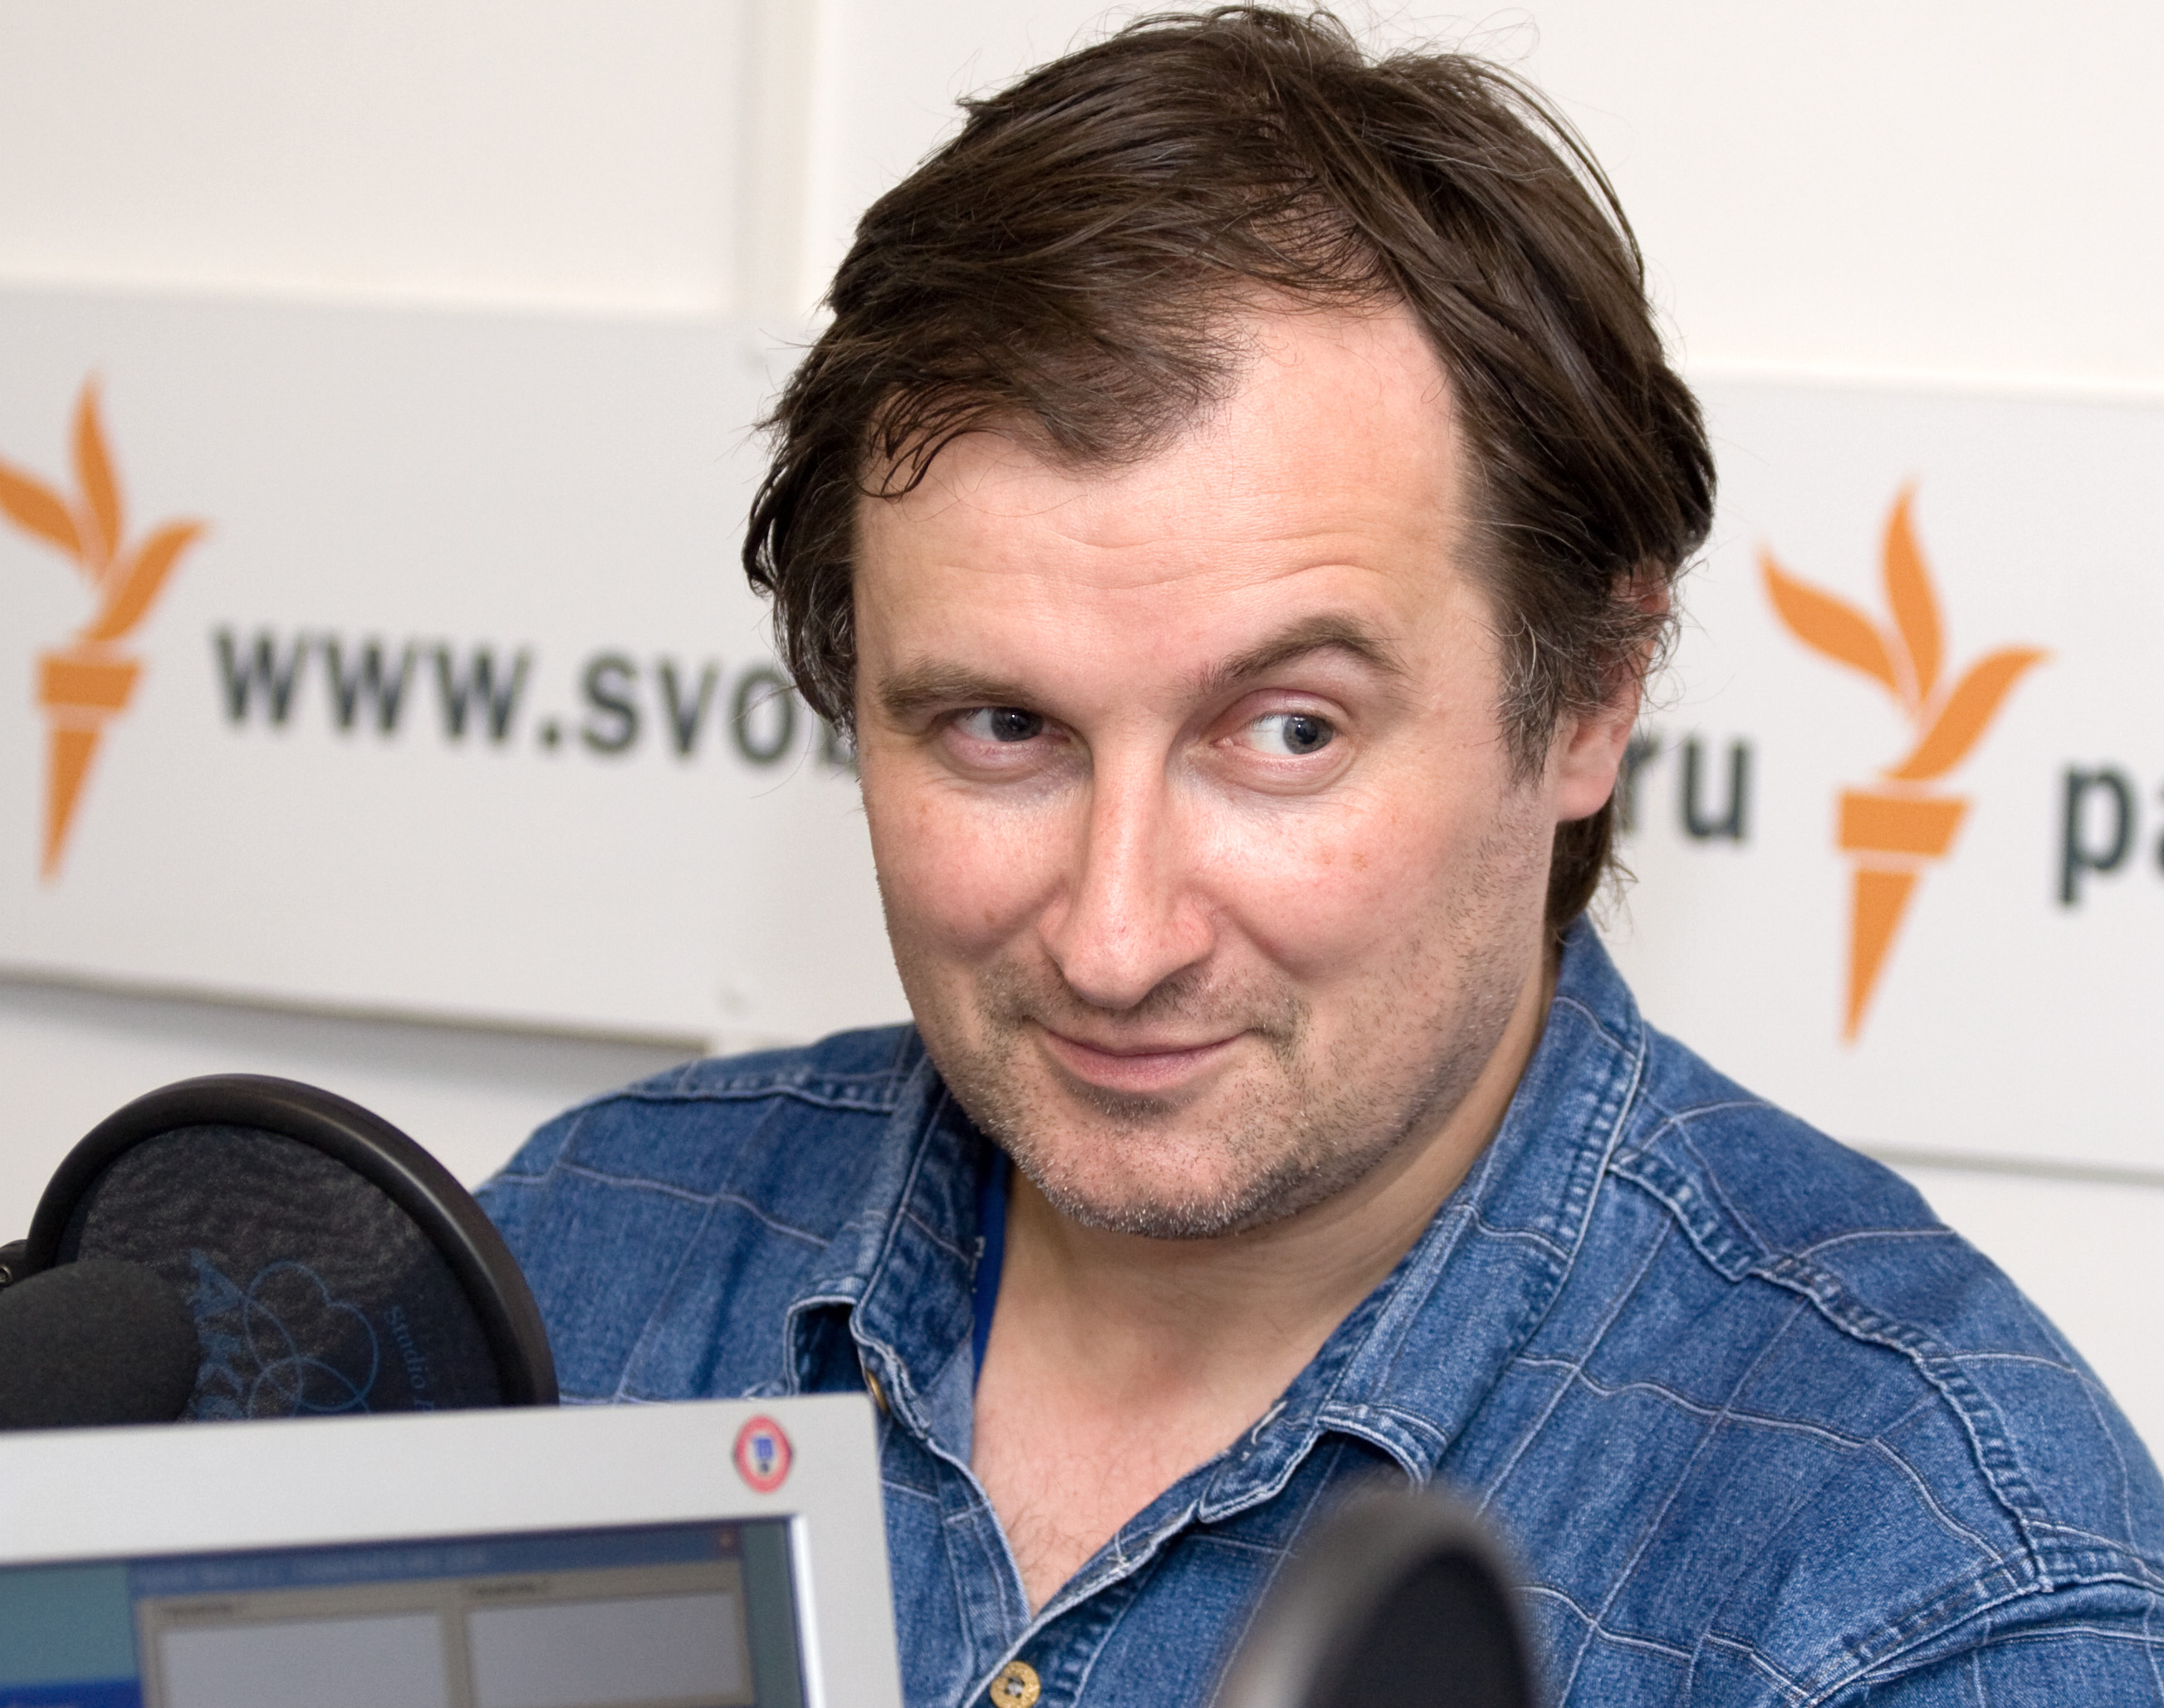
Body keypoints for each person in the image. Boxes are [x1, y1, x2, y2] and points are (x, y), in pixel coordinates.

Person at [478, 9, 2164, 1704]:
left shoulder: (1930, 1587)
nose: (1114, 939)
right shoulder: (574, 1279)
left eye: (1286, 732)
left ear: (1590, 693)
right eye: (1003, 727)